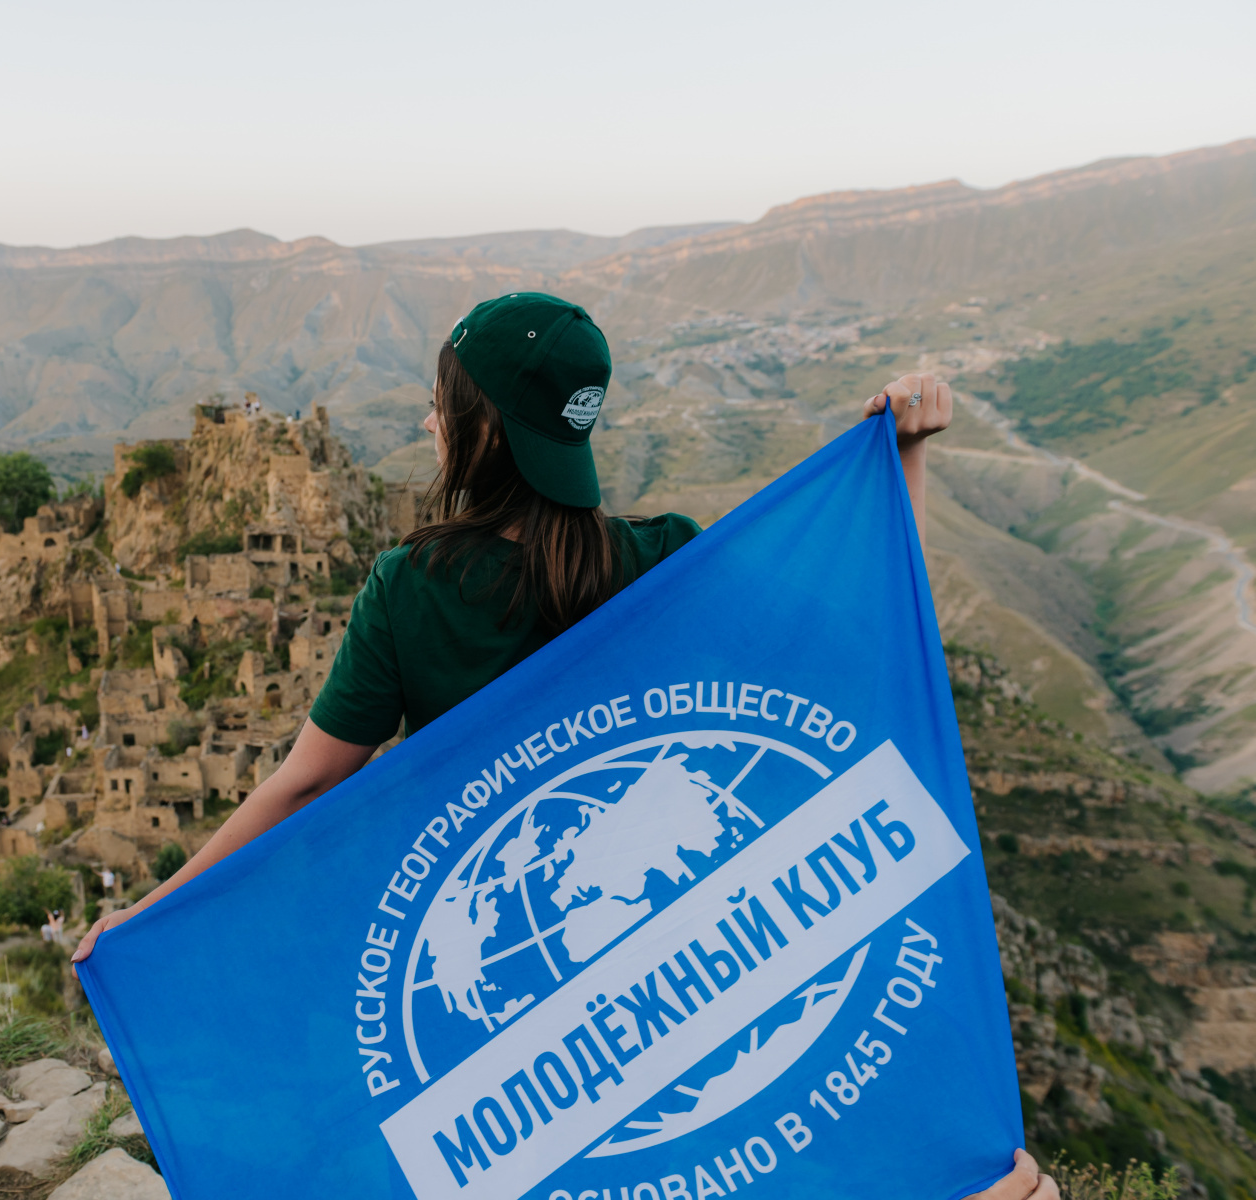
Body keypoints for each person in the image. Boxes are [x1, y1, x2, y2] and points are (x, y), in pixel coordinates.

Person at [72, 293, 1050, 1200]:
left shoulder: (411, 590)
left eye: (442, 405)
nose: (428, 422)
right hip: (663, 967)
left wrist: (147, 919)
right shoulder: (666, 561)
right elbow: (875, 652)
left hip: (522, 1019)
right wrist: (904, 461)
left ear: (484, 429)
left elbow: (304, 785)